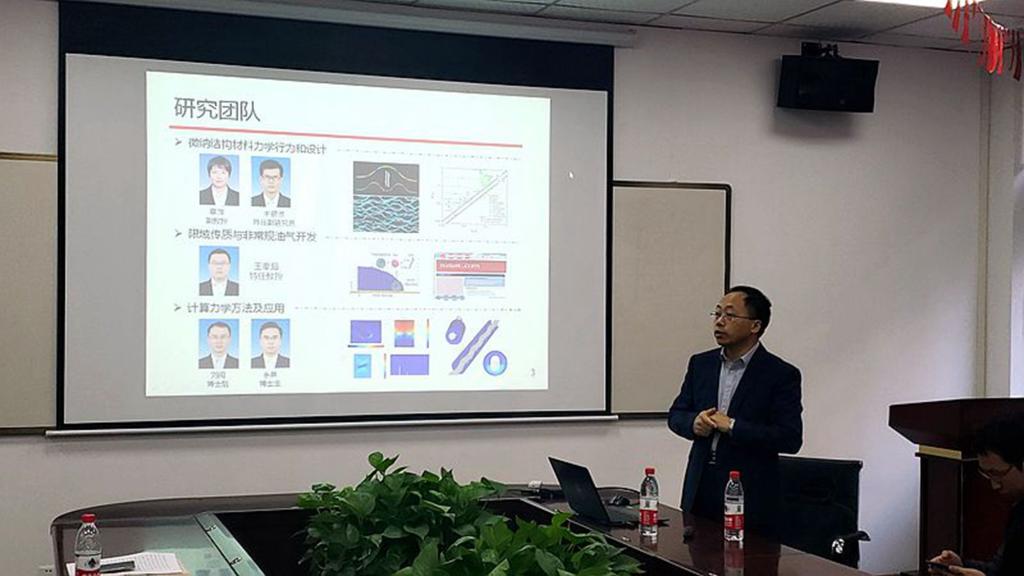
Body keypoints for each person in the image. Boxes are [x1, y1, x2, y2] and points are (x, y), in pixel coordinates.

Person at [668, 285, 803, 536]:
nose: (719, 321)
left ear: (755, 326)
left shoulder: (780, 374)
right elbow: (676, 414)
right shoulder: (701, 364)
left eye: (729, 315)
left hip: (750, 494)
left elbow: (790, 438)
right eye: (717, 313)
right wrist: (693, 423)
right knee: (693, 555)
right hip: (700, 486)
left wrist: (732, 426)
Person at [929, 413, 1024, 576]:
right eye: (986, 474)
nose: (994, 485)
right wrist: (960, 566)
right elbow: (1001, 569)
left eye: (997, 473)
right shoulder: (1019, 510)